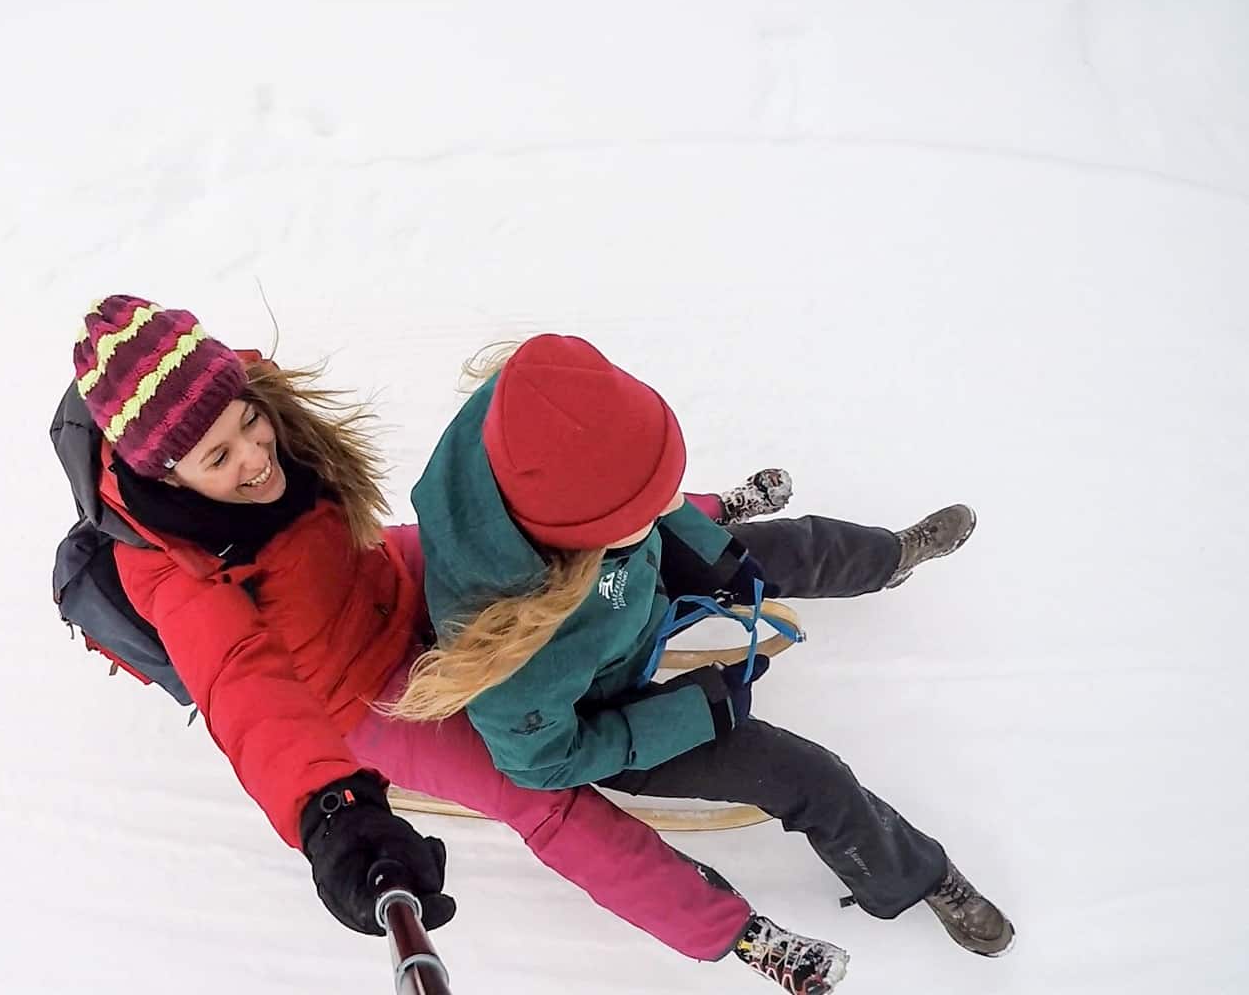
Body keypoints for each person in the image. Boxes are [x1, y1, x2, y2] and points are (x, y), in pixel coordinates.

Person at [58, 295, 826, 979]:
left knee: (518, 512)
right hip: (365, 694)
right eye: (219, 458)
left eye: (251, 424)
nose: (257, 458)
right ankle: (741, 937)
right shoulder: (176, 573)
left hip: (387, 570)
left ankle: (683, 507)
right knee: (540, 797)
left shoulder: (239, 396)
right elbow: (243, 688)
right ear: (163, 475)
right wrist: (334, 815)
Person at [394, 334, 1017, 993]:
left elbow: (645, 496)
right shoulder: (515, 656)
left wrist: (699, 543)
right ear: (583, 535)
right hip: (613, 709)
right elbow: (543, 762)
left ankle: (887, 558)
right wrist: (695, 711)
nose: (666, 504)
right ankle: (911, 878)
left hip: (622, 583)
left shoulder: (530, 411)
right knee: (811, 776)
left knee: (778, 549)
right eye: (646, 505)